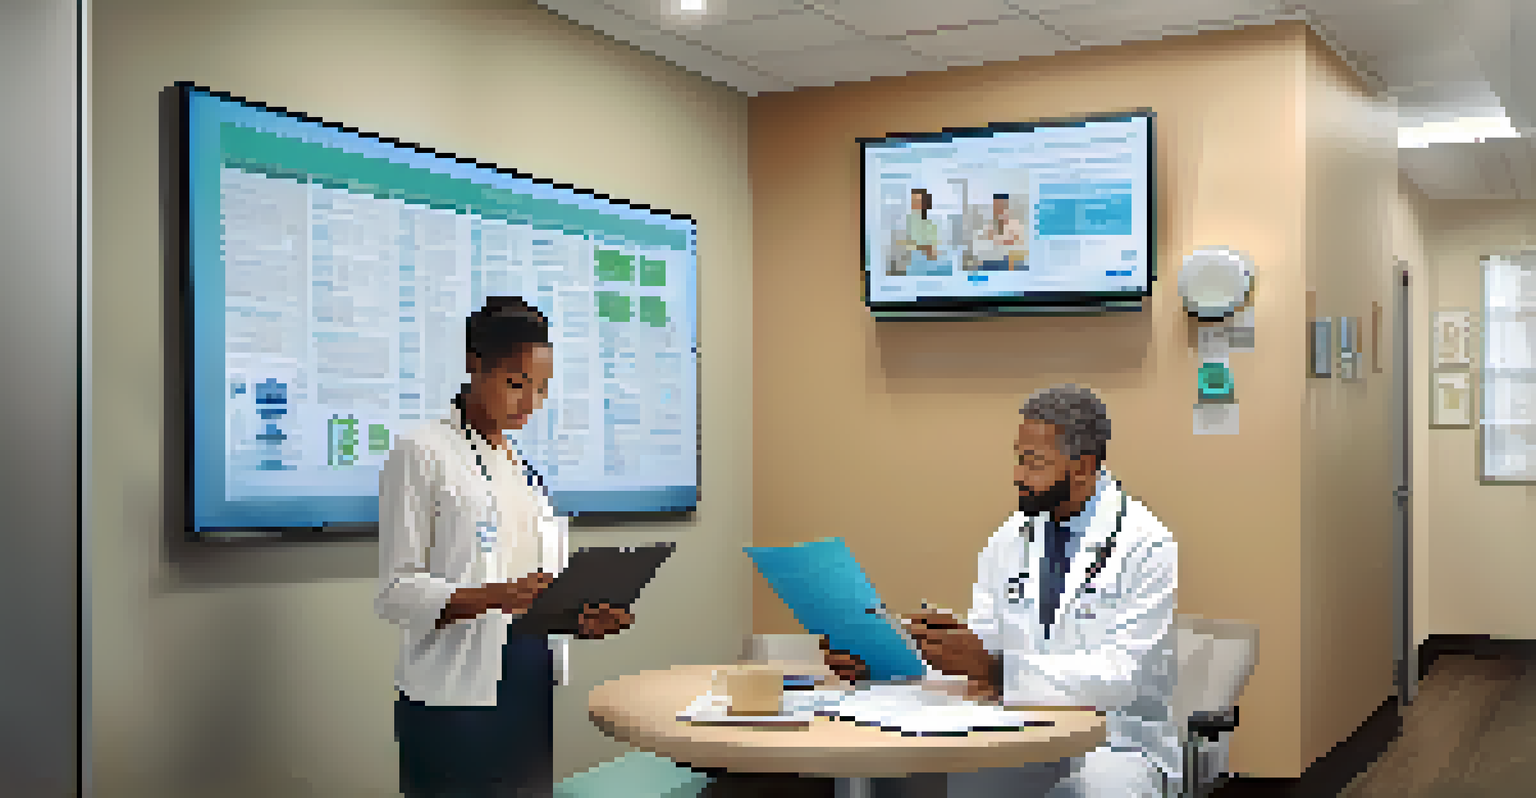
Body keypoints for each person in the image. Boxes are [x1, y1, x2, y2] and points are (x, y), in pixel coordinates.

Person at [827, 385, 1179, 797]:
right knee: (966, 783)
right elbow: (982, 651)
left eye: (1034, 463)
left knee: (1097, 790)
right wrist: (883, 665)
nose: (1018, 475)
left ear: (1082, 467)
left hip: (1116, 743)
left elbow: (1123, 678)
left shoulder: (1145, 544)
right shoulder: (1010, 538)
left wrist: (998, 672)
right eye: (1019, 458)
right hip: (1021, 732)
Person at [376, 296, 636, 798]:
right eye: (517, 384)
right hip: (453, 698)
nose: (530, 402)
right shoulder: (421, 452)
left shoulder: (523, 471)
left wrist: (580, 618)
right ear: (475, 365)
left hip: (528, 683)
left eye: (541, 388)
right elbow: (395, 592)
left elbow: (538, 591)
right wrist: (496, 596)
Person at [972, 193, 1028, 272]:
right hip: (991, 261)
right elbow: (980, 246)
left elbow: (1020, 248)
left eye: (1002, 206)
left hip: (1010, 262)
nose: (999, 210)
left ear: (1007, 207)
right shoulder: (988, 227)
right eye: (997, 207)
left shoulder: (1015, 225)